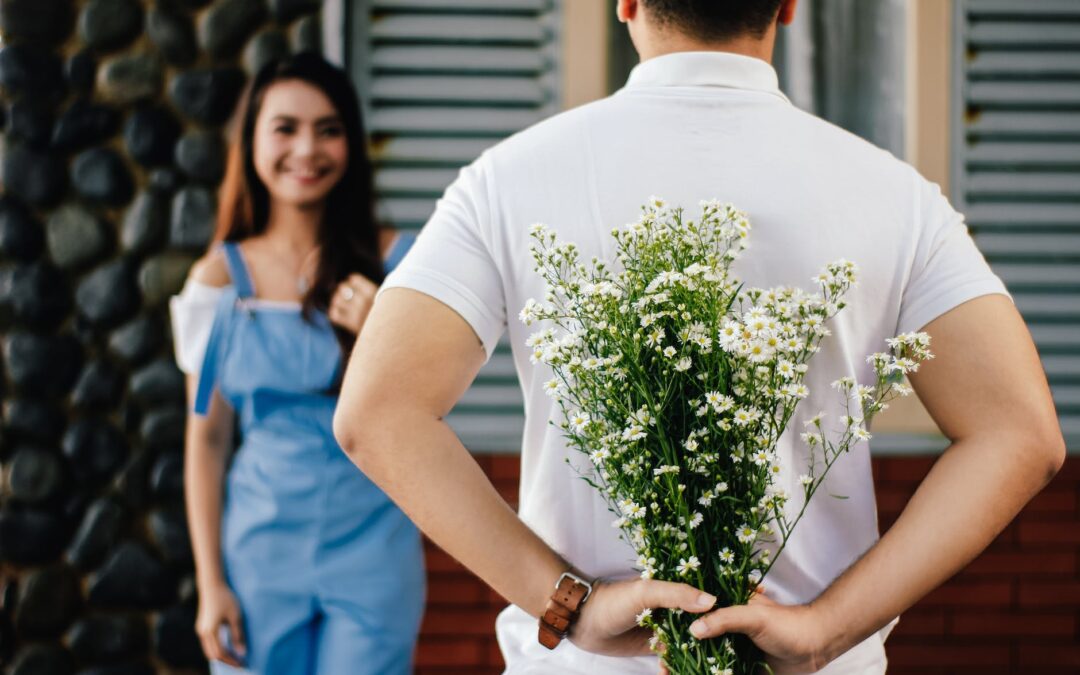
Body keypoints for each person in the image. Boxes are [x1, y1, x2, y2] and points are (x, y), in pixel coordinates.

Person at [332, 1, 1066, 673]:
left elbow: (377, 413)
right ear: (787, 6)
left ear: (625, 2)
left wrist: (569, 605)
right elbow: (1022, 434)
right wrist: (826, 628)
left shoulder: (508, 180)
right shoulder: (895, 195)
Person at [170, 53, 423, 674]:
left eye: (329, 129)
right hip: (258, 553)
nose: (306, 149)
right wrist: (211, 584)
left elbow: (431, 411)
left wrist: (378, 338)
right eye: (285, 127)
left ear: (351, 144)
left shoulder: (402, 265)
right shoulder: (217, 282)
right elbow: (206, 440)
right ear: (252, 139)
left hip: (375, 545)